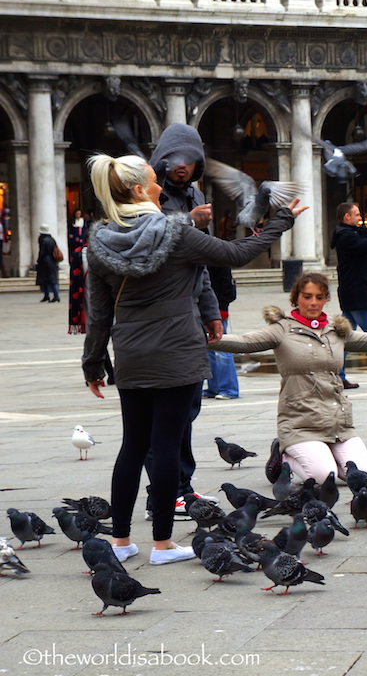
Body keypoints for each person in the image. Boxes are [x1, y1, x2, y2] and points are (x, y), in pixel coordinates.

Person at [80, 153, 305, 565]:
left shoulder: (99, 242)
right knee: (166, 447)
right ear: (137, 190)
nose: (161, 188)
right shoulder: (175, 232)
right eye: (153, 183)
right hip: (177, 352)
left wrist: (93, 362)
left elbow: (98, 314)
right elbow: (236, 254)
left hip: (131, 353)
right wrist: (281, 221)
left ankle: (121, 541)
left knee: (132, 446)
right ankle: (162, 544)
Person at [209, 273, 367, 484]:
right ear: (296, 298)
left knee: (362, 474)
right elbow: (243, 342)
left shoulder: (336, 330)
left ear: (326, 299)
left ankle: (324, 454)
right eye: (307, 296)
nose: (313, 303)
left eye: (319, 297)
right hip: (300, 423)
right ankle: (284, 455)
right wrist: (201, 337)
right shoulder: (281, 329)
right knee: (322, 477)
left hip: (338, 423)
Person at [144, 123, 219, 520]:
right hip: (158, 316)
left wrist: (211, 312)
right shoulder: (149, 197)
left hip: (189, 314)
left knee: (188, 408)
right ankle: (165, 490)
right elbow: (151, 249)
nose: (183, 167)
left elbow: (199, 261)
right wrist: (190, 222)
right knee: (162, 414)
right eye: (175, 159)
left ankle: (179, 485)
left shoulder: (196, 194)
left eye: (191, 160)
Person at [332, 201, 367, 390]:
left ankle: (338, 376)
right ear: (347, 217)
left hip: (353, 291)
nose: (360, 219)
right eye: (357, 215)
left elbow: (363, 237)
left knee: (343, 337)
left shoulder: (346, 233)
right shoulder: (346, 237)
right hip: (356, 292)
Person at [202, 263, 240, 399]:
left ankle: (229, 388)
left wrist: (222, 307)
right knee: (208, 348)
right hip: (204, 307)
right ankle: (214, 387)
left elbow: (227, 288)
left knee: (222, 349)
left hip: (218, 308)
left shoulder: (219, 260)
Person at [35, 224, 60, 303]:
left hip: (45, 261)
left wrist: (38, 261)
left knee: (45, 279)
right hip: (53, 261)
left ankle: (48, 295)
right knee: (52, 279)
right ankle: (55, 295)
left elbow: (41, 252)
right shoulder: (52, 239)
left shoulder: (42, 240)